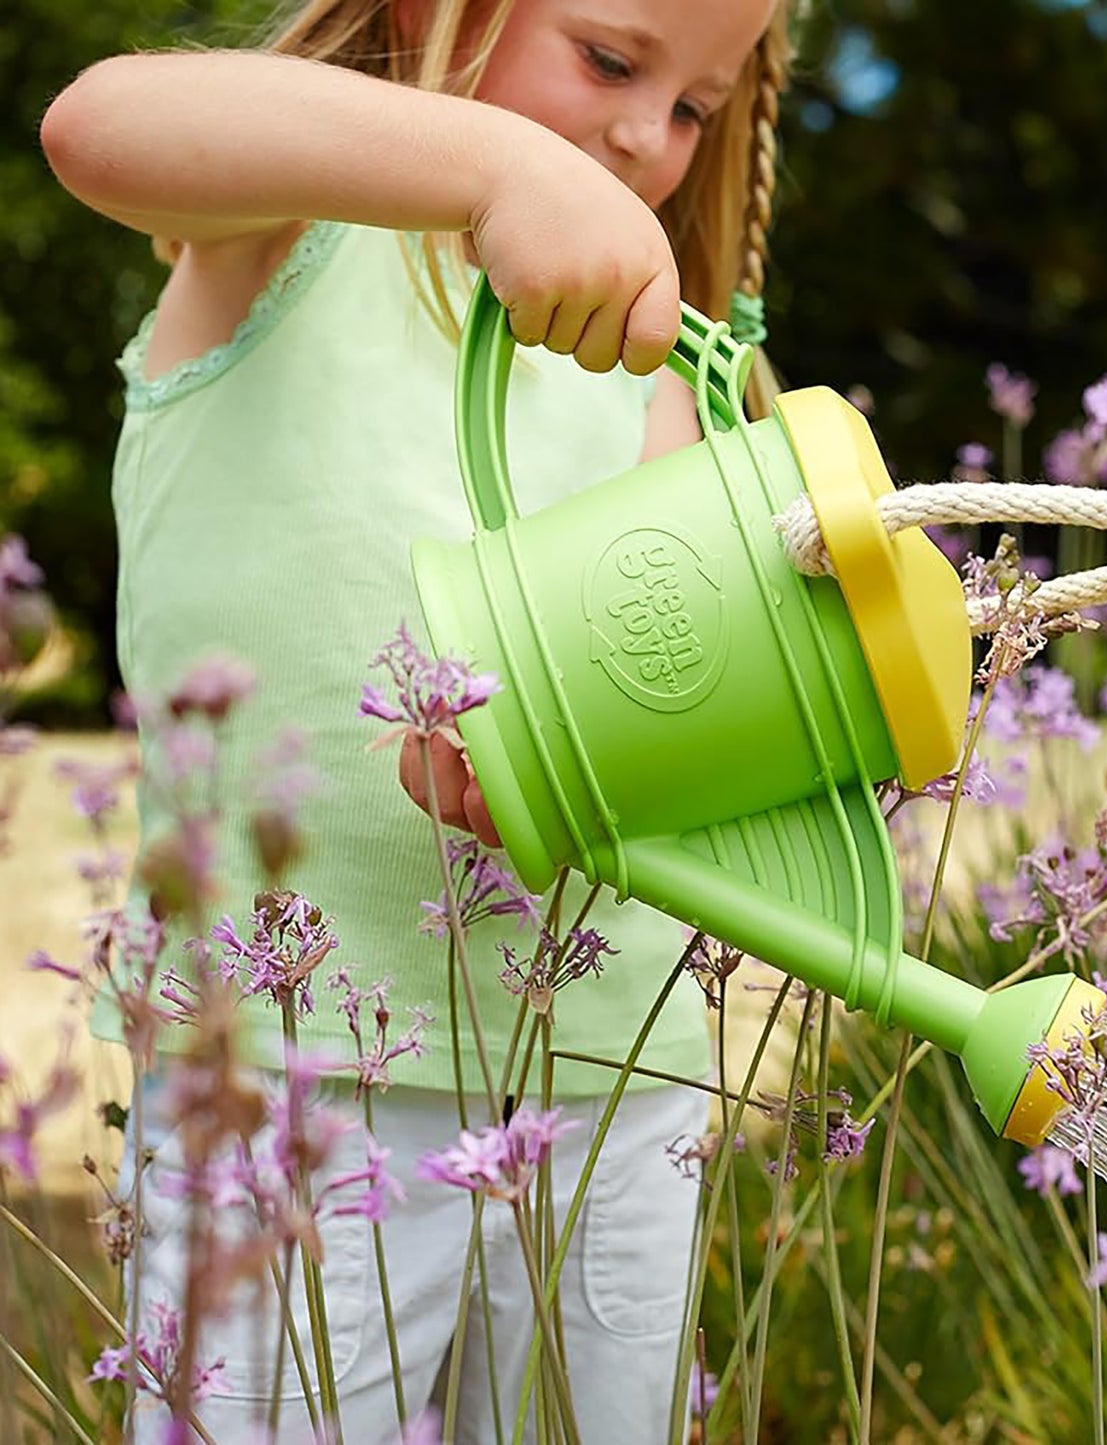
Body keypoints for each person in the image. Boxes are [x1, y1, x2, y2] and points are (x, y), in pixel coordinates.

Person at [41, 0, 792, 1439]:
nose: (648, 137)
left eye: (697, 107)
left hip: (610, 1071)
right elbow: (97, 127)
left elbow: (686, 687)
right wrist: (492, 168)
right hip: (283, 1066)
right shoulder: (288, 231)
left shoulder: (653, 367)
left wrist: (588, 772)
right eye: (613, 60)